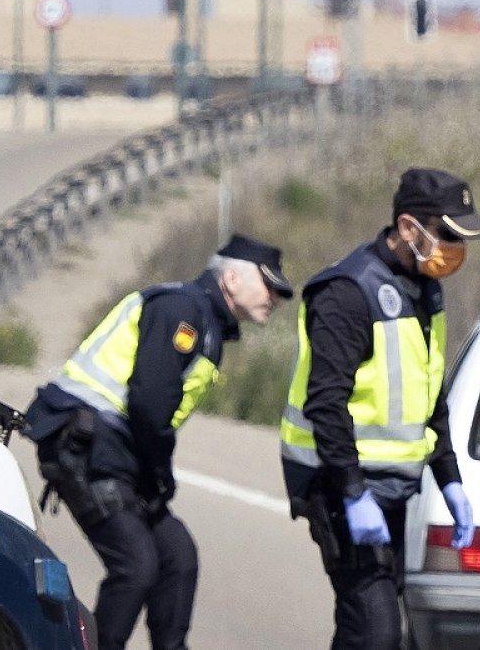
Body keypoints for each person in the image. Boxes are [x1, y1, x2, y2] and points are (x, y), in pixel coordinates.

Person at [23, 233, 293, 650]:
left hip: (117, 452)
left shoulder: (204, 321)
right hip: (84, 442)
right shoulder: (183, 311)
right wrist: (160, 470)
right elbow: (150, 404)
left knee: (177, 556)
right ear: (232, 279)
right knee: (136, 565)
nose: (275, 296)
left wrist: (153, 471)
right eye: (268, 283)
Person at [280, 167, 480, 650]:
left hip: (391, 488)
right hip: (338, 482)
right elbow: (326, 404)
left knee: (367, 626)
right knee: (375, 630)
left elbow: (428, 397)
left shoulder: (425, 289)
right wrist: (352, 494)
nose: (455, 248)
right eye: (447, 235)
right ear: (408, 227)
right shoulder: (346, 292)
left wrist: (452, 481)